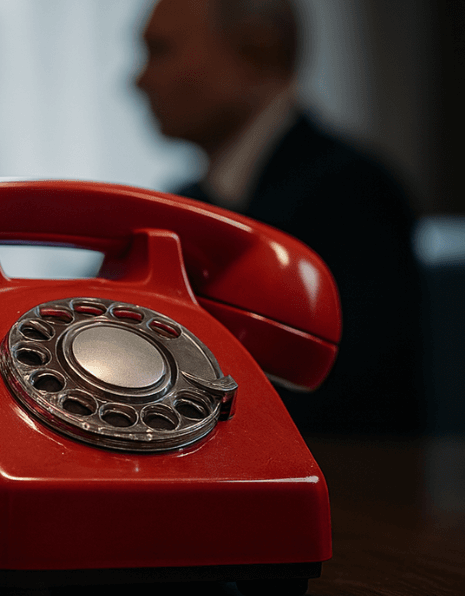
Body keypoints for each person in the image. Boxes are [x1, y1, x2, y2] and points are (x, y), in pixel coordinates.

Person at [135, 0, 424, 432]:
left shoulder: (352, 193)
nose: (138, 80)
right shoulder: (183, 205)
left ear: (256, 54)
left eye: (161, 50)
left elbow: (352, 392)